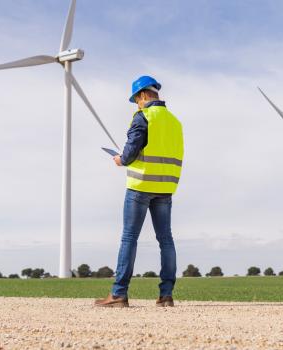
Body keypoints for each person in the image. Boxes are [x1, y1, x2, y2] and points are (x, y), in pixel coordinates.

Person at [95, 76, 184, 308]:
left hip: (140, 186)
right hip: (165, 188)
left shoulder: (142, 117)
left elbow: (130, 153)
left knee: (129, 238)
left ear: (143, 95)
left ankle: (119, 294)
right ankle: (166, 295)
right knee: (166, 240)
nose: (137, 104)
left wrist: (119, 159)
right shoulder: (175, 122)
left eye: (136, 99)